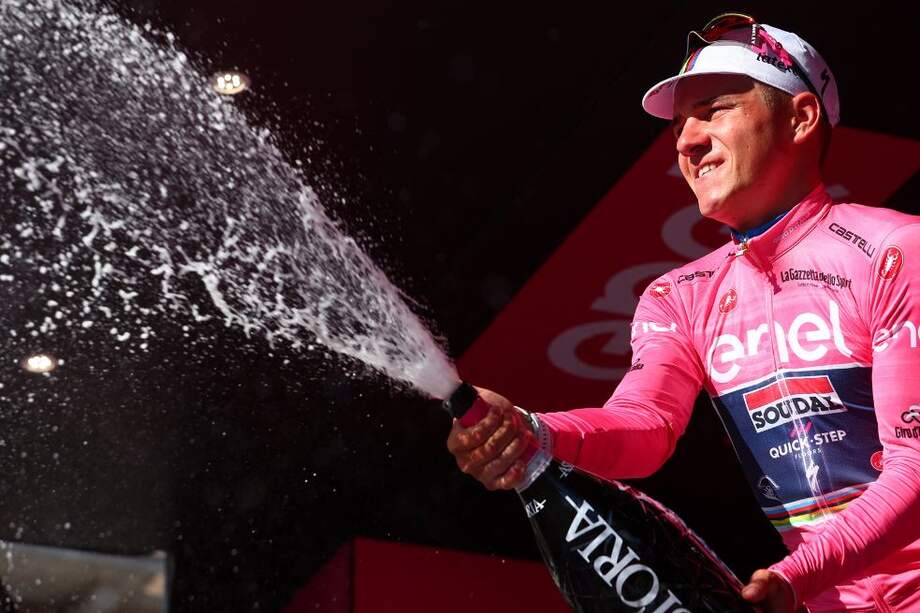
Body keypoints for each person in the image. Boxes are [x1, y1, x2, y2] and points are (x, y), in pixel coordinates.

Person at [447, 13, 920, 613]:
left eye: (714, 111)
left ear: (801, 118)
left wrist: (794, 578)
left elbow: (915, 466)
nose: (686, 142)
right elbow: (644, 426)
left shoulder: (895, 250)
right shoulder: (680, 296)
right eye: (678, 126)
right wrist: (532, 431)